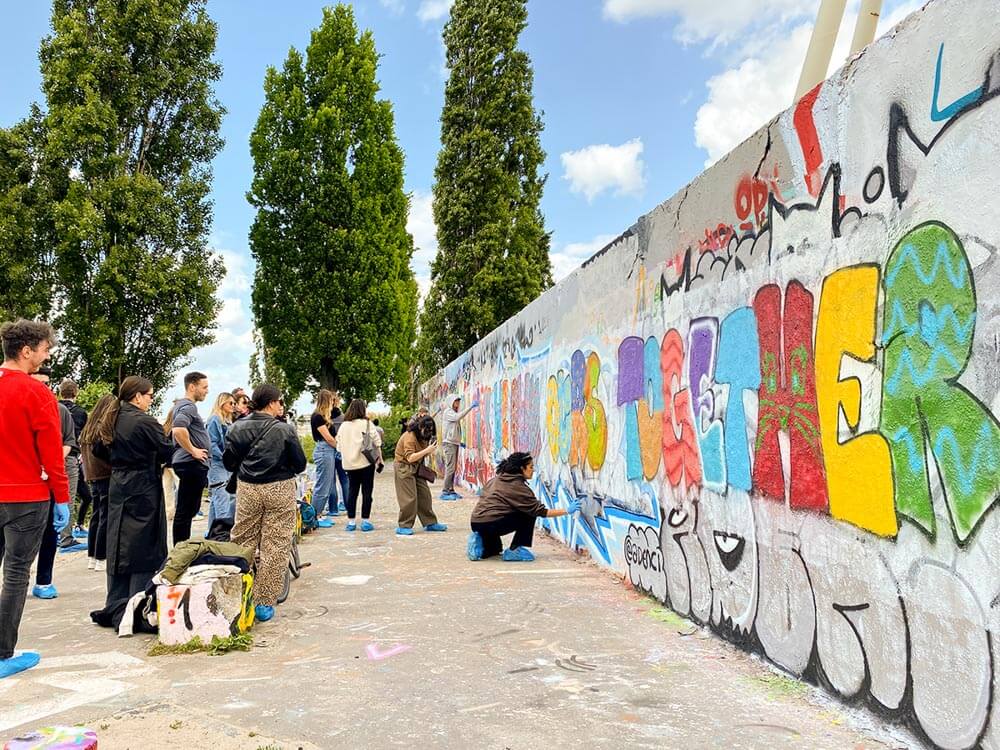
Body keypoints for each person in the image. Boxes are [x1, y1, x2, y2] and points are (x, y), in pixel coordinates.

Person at [0, 320, 70, 678]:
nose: (46, 356)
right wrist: (62, 497)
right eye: (44, 350)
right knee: (15, 573)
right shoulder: (36, 392)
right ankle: (2, 653)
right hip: (26, 496)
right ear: (26, 350)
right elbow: (51, 453)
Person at [223, 384, 306, 622]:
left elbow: (229, 462)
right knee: (276, 544)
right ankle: (264, 603)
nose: (281, 406)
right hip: (279, 487)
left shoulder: (237, 427)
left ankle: (240, 595)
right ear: (270, 403)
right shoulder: (284, 430)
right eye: (280, 401)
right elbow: (300, 464)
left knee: (242, 540)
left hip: (248, 488)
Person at [92, 376, 173, 605]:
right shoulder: (144, 422)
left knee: (117, 538)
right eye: (149, 396)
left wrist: (119, 461)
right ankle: (140, 599)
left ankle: (116, 599)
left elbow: (98, 449)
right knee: (144, 542)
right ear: (137, 396)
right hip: (143, 482)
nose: (150, 400)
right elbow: (167, 450)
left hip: (118, 481)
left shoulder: (111, 418)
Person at [468, 452, 581, 562]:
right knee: (528, 513)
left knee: (494, 550)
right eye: (531, 467)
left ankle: (479, 543)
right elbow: (540, 512)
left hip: (477, 523)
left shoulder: (494, 480)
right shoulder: (518, 486)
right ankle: (515, 549)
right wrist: (567, 510)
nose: (533, 470)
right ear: (522, 468)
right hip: (492, 524)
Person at [30, 367, 78, 599]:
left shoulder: (58, 410)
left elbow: (69, 441)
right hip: (22, 481)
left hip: (49, 478)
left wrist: (50, 462)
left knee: (50, 532)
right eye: (37, 382)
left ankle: (43, 580)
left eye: (46, 384)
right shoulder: (15, 405)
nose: (42, 388)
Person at [170, 371, 210, 544]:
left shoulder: (181, 405)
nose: (207, 391)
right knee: (186, 510)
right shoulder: (189, 406)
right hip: (191, 463)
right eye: (204, 387)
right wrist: (193, 450)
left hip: (188, 462)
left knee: (189, 509)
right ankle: (181, 548)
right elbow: (178, 429)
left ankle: (182, 546)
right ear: (192, 387)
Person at [79, 394, 116, 572]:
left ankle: (92, 556)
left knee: (96, 516)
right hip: (105, 475)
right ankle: (102, 556)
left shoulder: (88, 428)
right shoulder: (103, 428)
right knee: (105, 517)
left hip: (92, 476)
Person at [393, 415, 447, 536]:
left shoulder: (425, 436)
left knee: (425, 495)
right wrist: (427, 450)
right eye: (426, 430)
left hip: (416, 467)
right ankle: (404, 525)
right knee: (409, 497)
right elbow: (410, 457)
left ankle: (430, 522)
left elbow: (421, 454)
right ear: (420, 427)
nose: (429, 432)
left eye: (431, 430)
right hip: (404, 466)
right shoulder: (410, 437)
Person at [336, 399, 383, 532]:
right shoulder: (367, 423)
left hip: (349, 465)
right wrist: (380, 459)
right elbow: (377, 442)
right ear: (363, 409)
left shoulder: (344, 426)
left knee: (352, 491)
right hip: (366, 462)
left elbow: (338, 447)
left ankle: (351, 522)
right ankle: (365, 521)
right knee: (367, 492)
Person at [58, 379, 92, 538]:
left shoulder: (54, 408)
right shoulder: (80, 413)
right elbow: (86, 437)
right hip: (73, 456)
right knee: (73, 497)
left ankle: (62, 531)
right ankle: (67, 535)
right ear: (76, 393)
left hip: (55, 455)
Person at [206, 392, 236, 536]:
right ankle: (222, 534)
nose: (233, 406)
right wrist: (224, 457)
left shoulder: (226, 421)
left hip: (224, 464)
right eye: (231, 403)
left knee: (216, 500)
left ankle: (212, 534)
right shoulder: (215, 420)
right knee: (222, 498)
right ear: (222, 403)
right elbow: (211, 443)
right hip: (218, 464)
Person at [440, 394, 478, 501]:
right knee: (450, 468)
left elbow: (453, 429)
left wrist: (459, 442)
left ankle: (450, 490)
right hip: (449, 444)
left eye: (458, 402)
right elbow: (458, 417)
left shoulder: (452, 412)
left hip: (453, 443)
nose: (458, 404)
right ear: (451, 402)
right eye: (456, 401)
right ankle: (445, 491)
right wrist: (470, 407)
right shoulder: (448, 412)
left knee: (453, 468)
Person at [309, 389, 339, 528]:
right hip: (324, 450)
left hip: (327, 451)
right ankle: (315, 515)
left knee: (326, 485)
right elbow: (328, 438)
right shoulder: (317, 417)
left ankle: (319, 513)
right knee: (322, 485)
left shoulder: (324, 417)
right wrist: (340, 447)